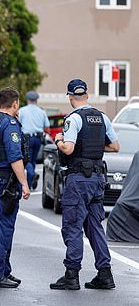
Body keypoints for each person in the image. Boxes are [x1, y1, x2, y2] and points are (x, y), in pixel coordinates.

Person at [50, 79, 120, 290]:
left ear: (70, 97)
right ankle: (105, 274)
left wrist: (58, 141)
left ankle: (71, 275)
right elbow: (115, 146)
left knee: (72, 226)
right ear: (87, 96)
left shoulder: (73, 119)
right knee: (94, 226)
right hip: (98, 178)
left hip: (79, 179)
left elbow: (69, 149)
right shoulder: (102, 117)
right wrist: (96, 149)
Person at [0, 87, 30, 288]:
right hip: (6, 182)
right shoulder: (9, 124)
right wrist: (24, 183)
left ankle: (3, 270)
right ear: (15, 104)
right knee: (3, 228)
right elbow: (14, 157)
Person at [18, 91, 50, 190]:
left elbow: (17, 125)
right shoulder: (42, 111)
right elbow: (47, 127)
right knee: (33, 160)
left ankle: (31, 174)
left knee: (26, 160)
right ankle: (29, 182)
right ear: (36, 100)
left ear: (27, 100)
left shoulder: (22, 111)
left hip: (27, 138)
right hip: (38, 139)